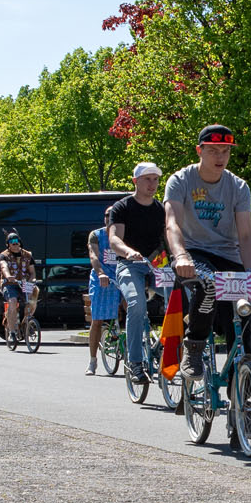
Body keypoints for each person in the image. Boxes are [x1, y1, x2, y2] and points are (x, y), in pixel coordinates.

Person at [163, 124, 251, 380]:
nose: (220, 157)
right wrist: (180, 256)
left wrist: (250, 274)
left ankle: (242, 387)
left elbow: (246, 235)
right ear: (199, 151)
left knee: (243, 310)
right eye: (213, 151)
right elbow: (172, 224)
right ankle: (193, 347)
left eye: (225, 151)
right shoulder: (181, 180)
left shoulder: (238, 187)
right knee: (208, 285)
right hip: (193, 253)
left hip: (228, 255)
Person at [109, 162, 168, 381]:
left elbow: (169, 238)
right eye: (147, 179)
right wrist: (128, 252)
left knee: (186, 297)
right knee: (136, 303)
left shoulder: (161, 209)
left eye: (155, 179)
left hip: (156, 265)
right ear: (135, 181)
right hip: (129, 264)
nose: (152, 184)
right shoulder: (122, 207)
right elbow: (114, 239)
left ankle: (166, 345)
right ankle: (134, 362)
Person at [85, 213, 121, 375]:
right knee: (97, 319)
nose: (109, 217)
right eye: (107, 215)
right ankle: (93, 361)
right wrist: (100, 273)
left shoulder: (122, 234)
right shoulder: (96, 235)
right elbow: (93, 255)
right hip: (102, 279)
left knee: (134, 308)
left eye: (113, 215)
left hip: (120, 277)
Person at [0, 232, 39, 341]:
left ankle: (26, 322)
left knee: (33, 296)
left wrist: (31, 281)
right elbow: (4, 267)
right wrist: (8, 276)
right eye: (12, 242)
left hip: (24, 283)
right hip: (10, 284)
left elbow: (32, 272)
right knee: (12, 301)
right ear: (8, 244)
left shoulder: (28, 255)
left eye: (16, 241)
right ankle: (12, 331)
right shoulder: (4, 255)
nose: (15, 244)